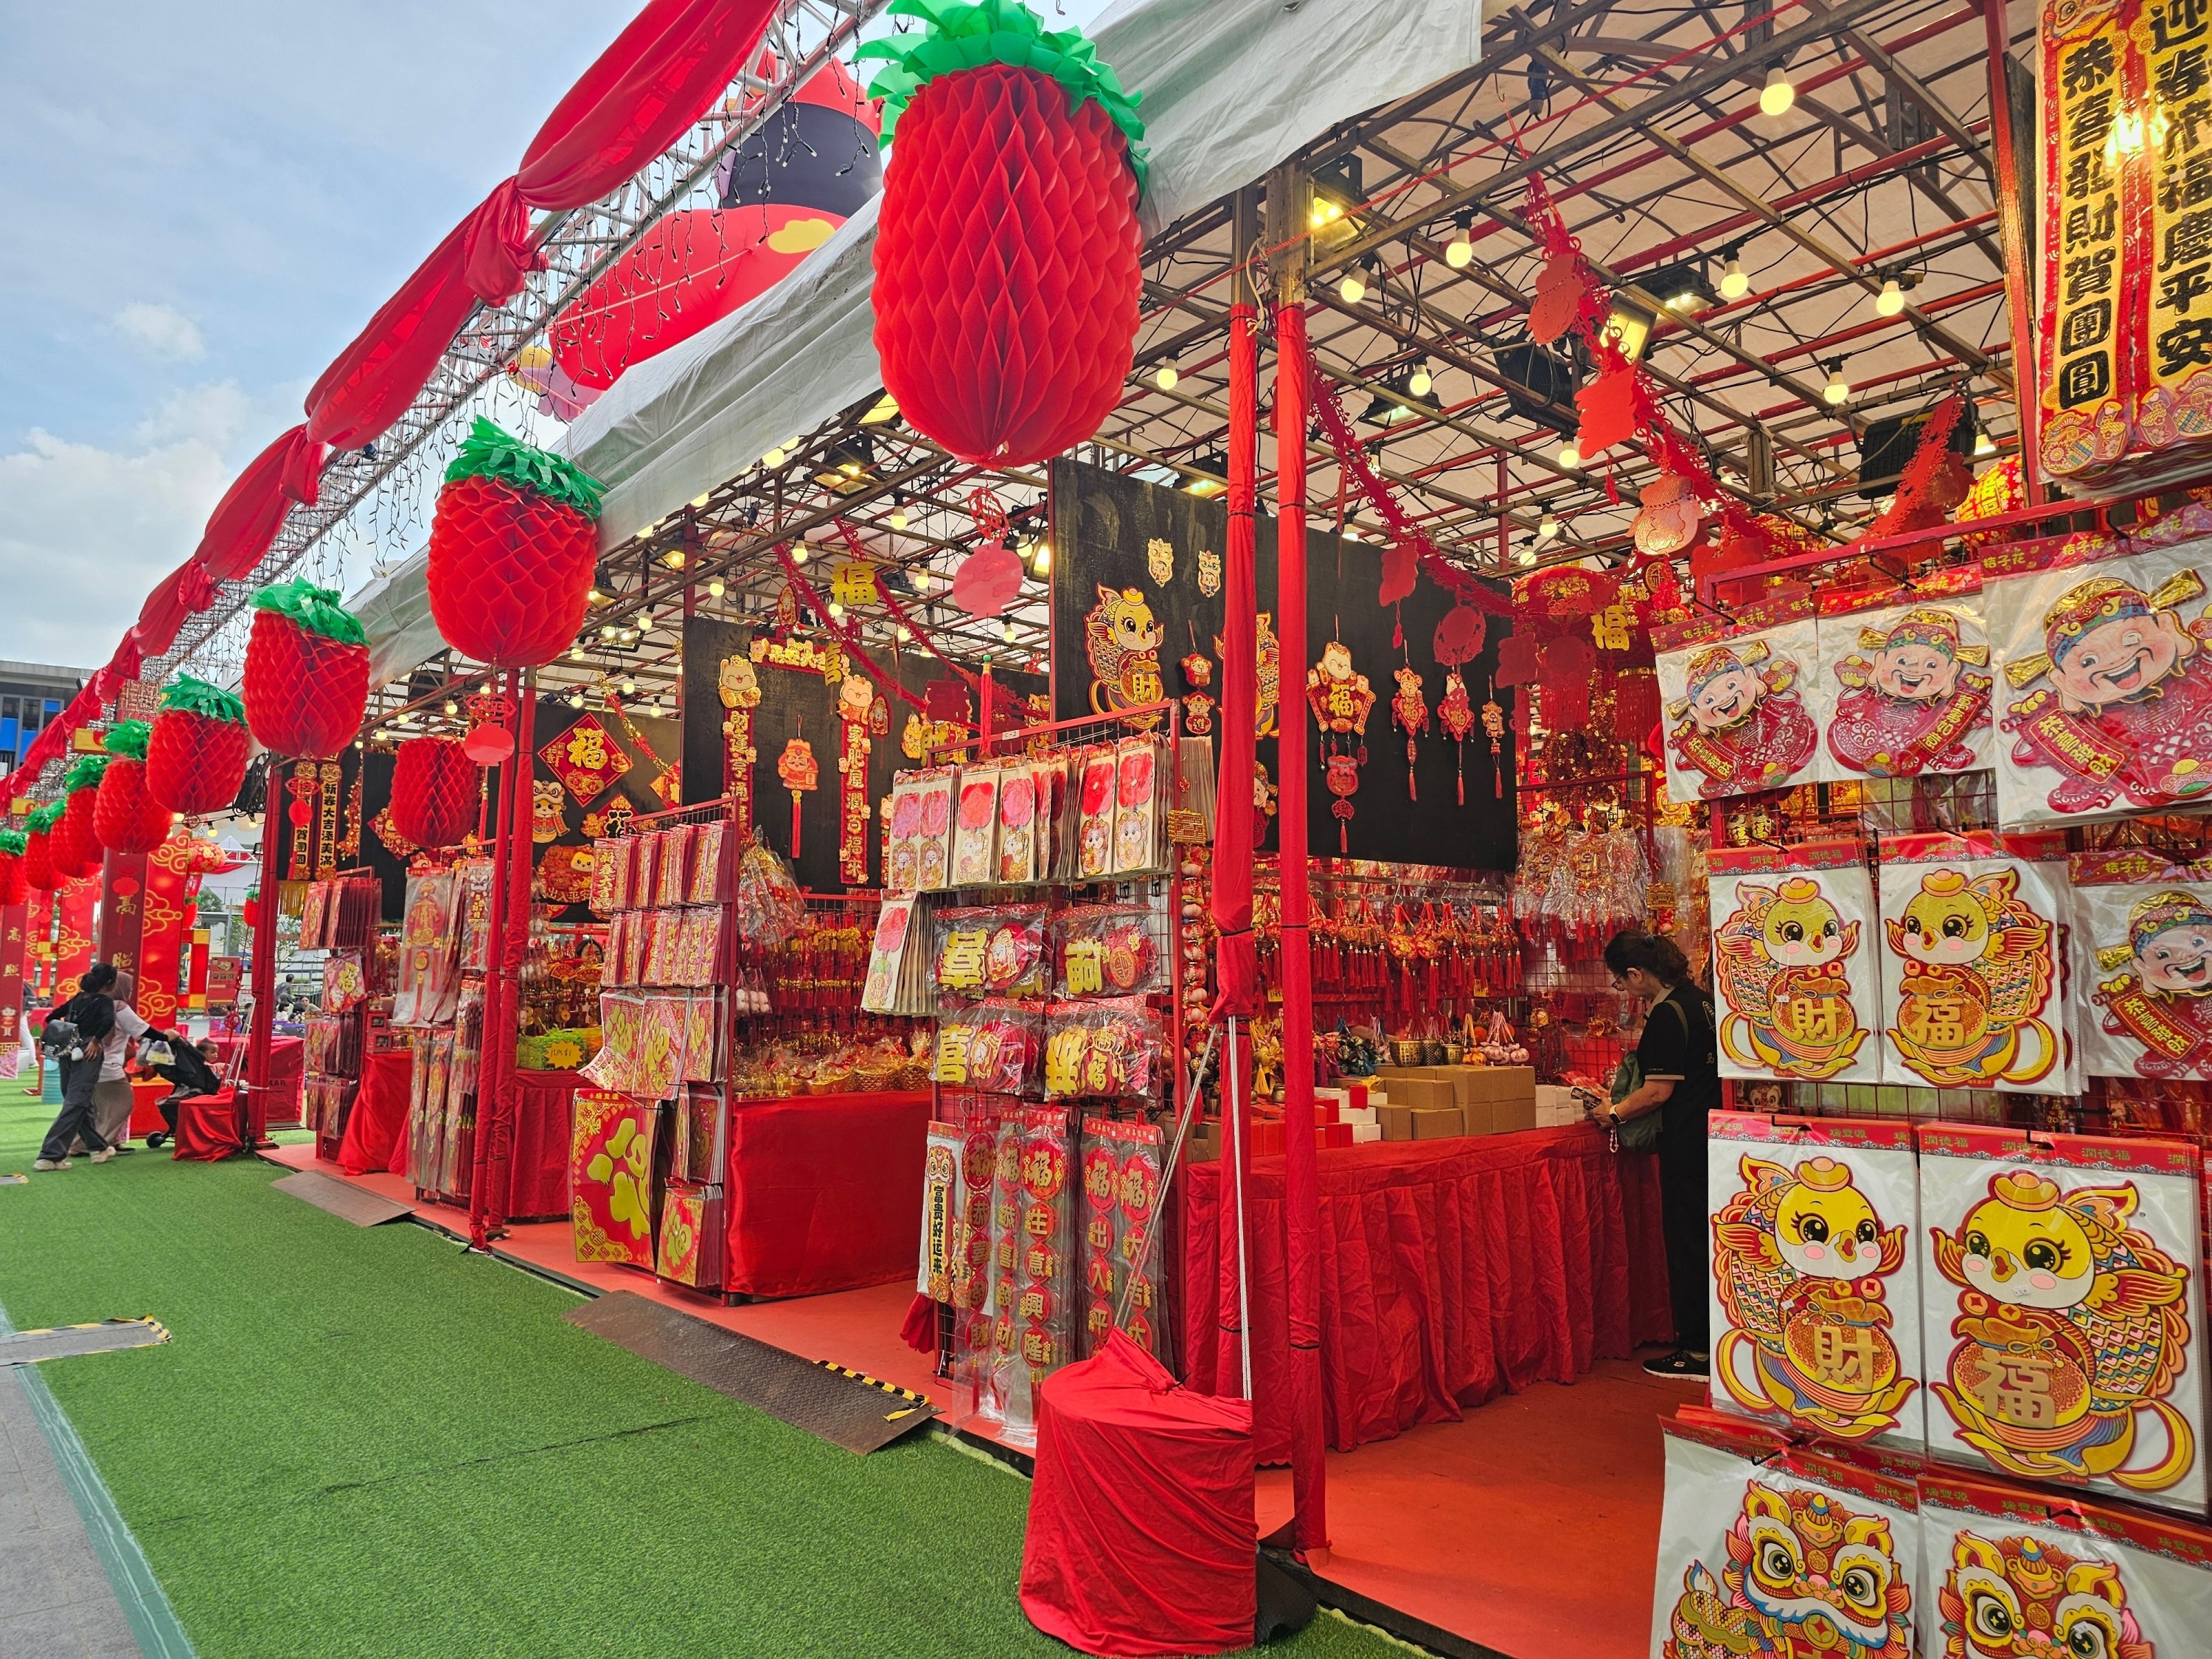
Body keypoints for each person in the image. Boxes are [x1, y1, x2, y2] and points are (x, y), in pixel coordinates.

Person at [1598, 929, 1720, 1380]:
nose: (1625, 991)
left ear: (1636, 974)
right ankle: (1712, 1341)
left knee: (1686, 1245)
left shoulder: (1668, 1014)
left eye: (1622, 982)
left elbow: (1655, 1092)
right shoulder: (1701, 1000)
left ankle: (1696, 1351)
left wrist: (1613, 1112)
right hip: (1710, 1135)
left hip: (1685, 1143)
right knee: (1704, 1243)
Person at [35, 990, 118, 1169]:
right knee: (77, 1102)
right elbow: (108, 1021)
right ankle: (50, 1156)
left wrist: (67, 1030)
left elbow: (52, 1017)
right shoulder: (105, 1002)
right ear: (111, 983)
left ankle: (98, 1147)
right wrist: (95, 1040)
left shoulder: (77, 999)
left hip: (67, 1050)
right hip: (88, 1051)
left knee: (79, 1103)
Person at [83, 969, 151, 1154]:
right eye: (128, 987)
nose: (130, 992)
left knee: (95, 1108)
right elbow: (143, 1031)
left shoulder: (90, 1003)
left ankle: (78, 1145)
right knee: (123, 1102)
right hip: (107, 1066)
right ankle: (99, 1144)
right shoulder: (119, 1008)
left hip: (84, 1064)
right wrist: (168, 1037)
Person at [142, 1036, 223, 1151]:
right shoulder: (204, 1067)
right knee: (172, 1104)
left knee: (171, 1105)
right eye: (212, 1052)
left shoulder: (209, 1068)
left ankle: (179, 1130)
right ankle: (182, 1131)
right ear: (202, 1053)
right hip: (194, 1091)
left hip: (196, 1091)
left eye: (216, 1053)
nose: (215, 1055)